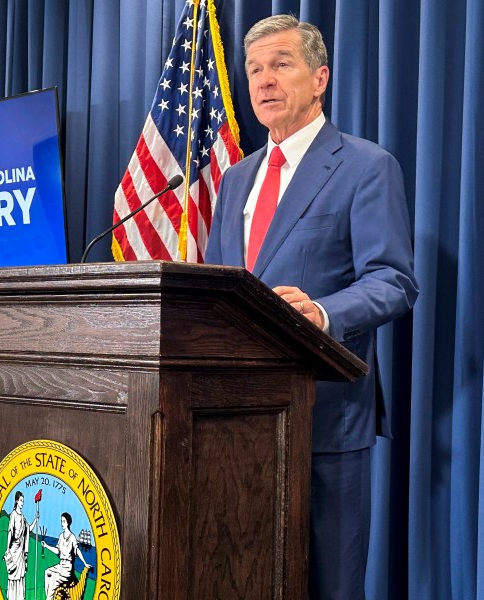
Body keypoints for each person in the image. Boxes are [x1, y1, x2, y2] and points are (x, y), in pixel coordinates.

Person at [205, 14, 418, 600]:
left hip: (324, 416)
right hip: (231, 422)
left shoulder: (366, 166)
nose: (265, 81)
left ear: (320, 77)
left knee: (329, 584)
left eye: (281, 64)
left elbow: (394, 281)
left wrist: (322, 314)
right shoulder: (235, 180)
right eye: (254, 70)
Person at [42, 512, 90, 600]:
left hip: (67, 568)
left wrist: (85, 563)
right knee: (47, 572)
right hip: (61, 565)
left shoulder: (72, 537)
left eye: (63, 521)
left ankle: (49, 598)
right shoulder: (61, 536)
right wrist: (46, 546)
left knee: (54, 580)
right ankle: (49, 597)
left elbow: (77, 550)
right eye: (61, 521)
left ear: (68, 523)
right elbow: (57, 551)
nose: (62, 524)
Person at [5, 491, 38, 600]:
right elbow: (10, 532)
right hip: (14, 550)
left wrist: (36, 519)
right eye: (21, 500)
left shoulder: (23, 517)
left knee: (20, 577)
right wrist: (7, 550)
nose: (22, 503)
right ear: (16, 501)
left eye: (23, 501)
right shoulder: (13, 515)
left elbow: (29, 530)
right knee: (13, 576)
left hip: (21, 552)